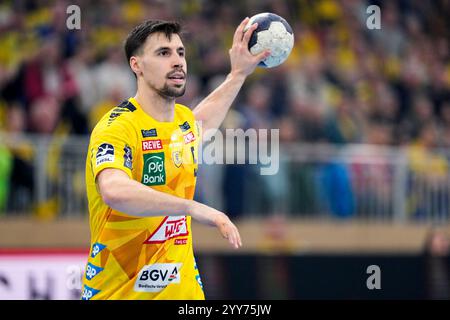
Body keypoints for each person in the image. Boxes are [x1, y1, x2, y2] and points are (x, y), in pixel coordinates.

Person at [81, 19, 270, 300]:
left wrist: (238, 74)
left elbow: (203, 120)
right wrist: (190, 207)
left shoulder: (183, 121)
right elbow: (113, 189)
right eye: (163, 53)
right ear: (137, 65)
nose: (177, 61)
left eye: (180, 53)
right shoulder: (117, 127)